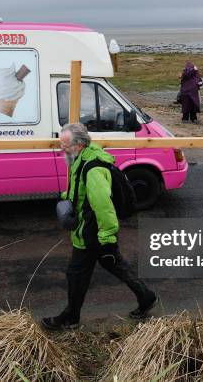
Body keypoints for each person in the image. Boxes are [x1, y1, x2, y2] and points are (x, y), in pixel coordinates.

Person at [42, 123, 157, 330]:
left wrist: (107, 236)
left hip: (92, 233)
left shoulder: (93, 168)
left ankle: (71, 317)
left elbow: (103, 206)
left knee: (76, 273)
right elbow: (81, 192)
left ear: (78, 145)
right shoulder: (81, 160)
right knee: (114, 264)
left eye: (65, 144)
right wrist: (67, 200)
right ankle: (146, 296)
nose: (62, 147)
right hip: (92, 230)